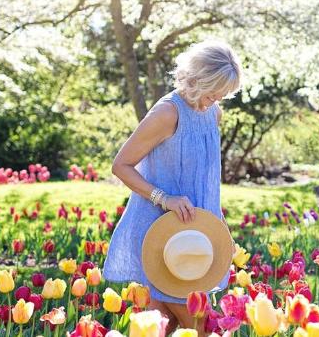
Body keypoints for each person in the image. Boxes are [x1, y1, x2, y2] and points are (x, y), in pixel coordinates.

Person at [104, 40, 243, 334]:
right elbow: (121, 166)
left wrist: (216, 224)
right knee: (204, 326)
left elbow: (205, 179)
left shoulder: (213, 113)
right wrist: (163, 198)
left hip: (195, 234)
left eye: (222, 95)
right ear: (195, 79)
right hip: (165, 234)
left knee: (161, 325)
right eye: (212, 92)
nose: (215, 101)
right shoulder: (168, 113)